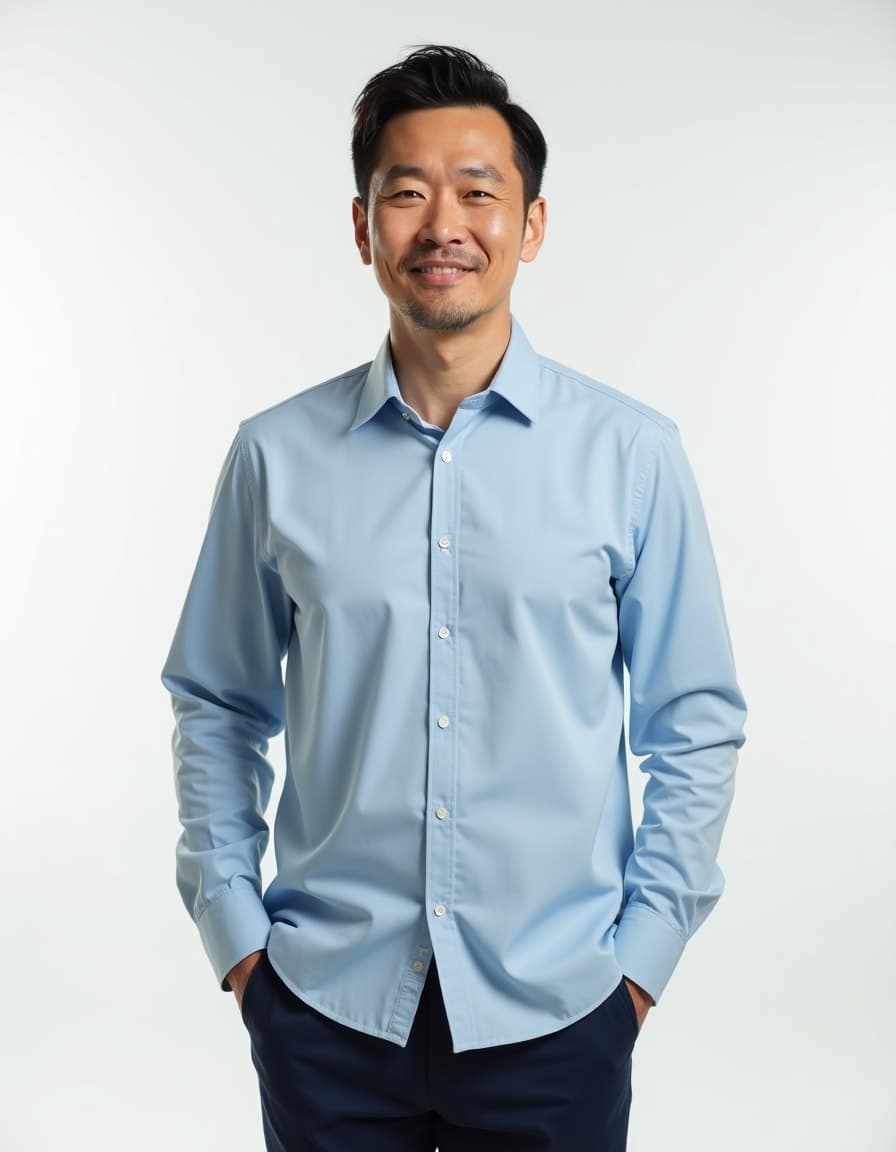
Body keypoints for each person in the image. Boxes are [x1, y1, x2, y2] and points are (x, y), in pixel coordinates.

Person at [162, 44, 747, 1152]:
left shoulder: (631, 455)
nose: (444, 224)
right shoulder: (274, 457)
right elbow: (217, 701)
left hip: (560, 1011)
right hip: (325, 1010)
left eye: (478, 191)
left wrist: (637, 965)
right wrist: (240, 941)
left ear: (529, 225)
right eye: (407, 192)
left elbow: (695, 721)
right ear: (362, 224)